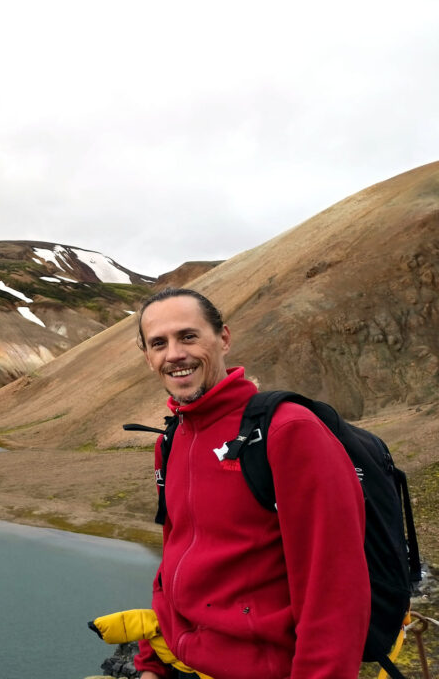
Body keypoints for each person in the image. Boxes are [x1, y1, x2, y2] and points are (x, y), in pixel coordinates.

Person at [133, 288, 370, 679]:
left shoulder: (288, 431)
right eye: (159, 343)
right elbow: (176, 558)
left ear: (223, 338)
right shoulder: (171, 441)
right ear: (148, 358)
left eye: (188, 336)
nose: (174, 354)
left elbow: (335, 590)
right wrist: (151, 662)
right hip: (183, 665)